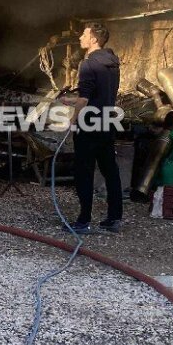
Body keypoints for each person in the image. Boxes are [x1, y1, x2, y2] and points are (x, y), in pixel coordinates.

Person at [62, 22, 123, 234]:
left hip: (88, 125)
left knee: (84, 172)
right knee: (110, 170)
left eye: (84, 34)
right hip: (107, 121)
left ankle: (83, 221)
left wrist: (73, 119)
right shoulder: (113, 64)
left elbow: (85, 100)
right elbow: (99, 94)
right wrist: (72, 100)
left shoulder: (88, 64)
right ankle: (114, 219)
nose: (80, 37)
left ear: (94, 39)